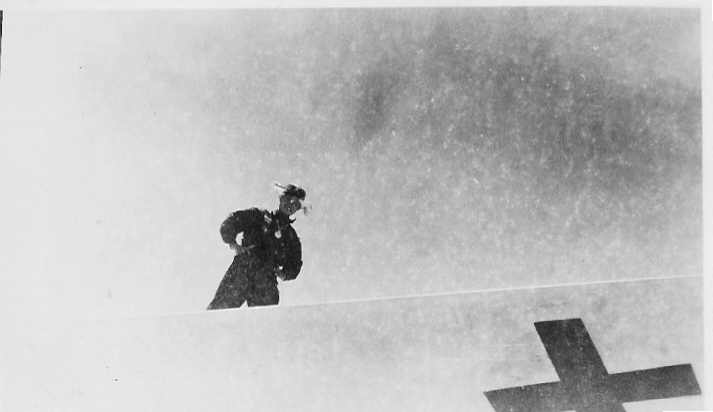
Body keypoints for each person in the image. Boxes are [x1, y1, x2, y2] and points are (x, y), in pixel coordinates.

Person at [207, 183, 307, 310]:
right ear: (281, 199)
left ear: (298, 208)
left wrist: (284, 274)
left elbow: (294, 264)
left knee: (264, 322)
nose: (291, 205)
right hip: (243, 270)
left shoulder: (291, 237)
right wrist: (233, 244)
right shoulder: (259, 216)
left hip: (266, 281)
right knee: (219, 312)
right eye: (288, 200)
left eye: (296, 204)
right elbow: (231, 222)